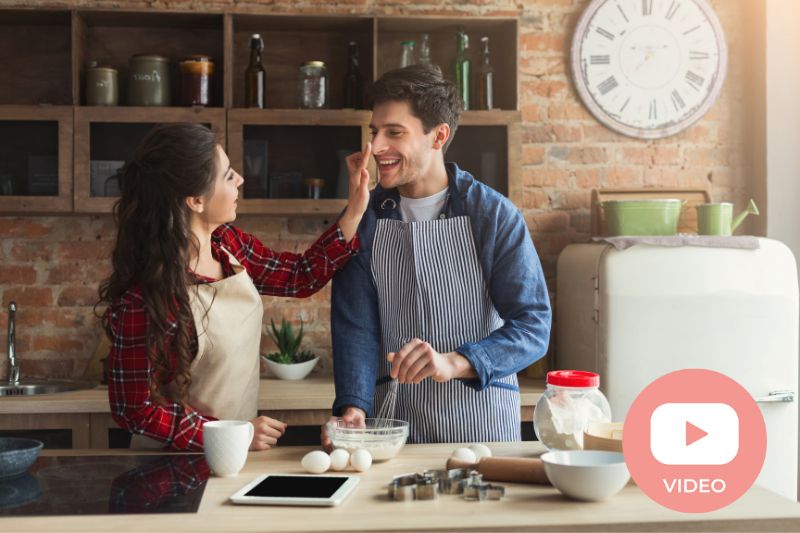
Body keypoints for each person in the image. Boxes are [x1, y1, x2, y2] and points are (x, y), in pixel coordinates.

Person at [99, 123, 370, 451]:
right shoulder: (145, 298)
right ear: (196, 200)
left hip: (235, 457)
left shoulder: (228, 245)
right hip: (172, 469)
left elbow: (299, 276)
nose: (240, 179)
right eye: (228, 175)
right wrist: (229, 434)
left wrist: (355, 206)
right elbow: (134, 410)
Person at [323, 64, 551, 446]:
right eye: (374, 132)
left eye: (395, 133)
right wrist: (353, 408)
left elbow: (533, 326)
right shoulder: (363, 219)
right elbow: (356, 327)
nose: (376, 147)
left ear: (438, 136)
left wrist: (454, 362)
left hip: (480, 425)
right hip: (391, 424)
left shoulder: (492, 215)